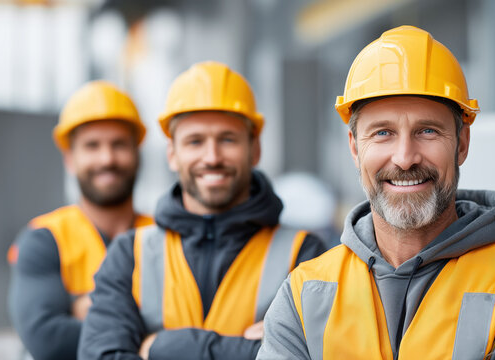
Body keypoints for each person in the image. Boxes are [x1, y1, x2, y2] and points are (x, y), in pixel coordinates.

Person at [257, 25, 495, 359]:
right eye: (382, 133)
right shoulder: (303, 294)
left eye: (427, 131)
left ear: (462, 144)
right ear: (354, 148)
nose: (405, 158)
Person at [78, 61, 327, 360]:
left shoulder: (304, 255)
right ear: (172, 154)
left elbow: (315, 355)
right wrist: (254, 351)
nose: (212, 157)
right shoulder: (130, 255)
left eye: (227, 139)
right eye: (195, 141)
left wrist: (163, 348)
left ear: (255, 149)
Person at [8, 81, 154, 360]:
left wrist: (89, 311)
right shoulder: (44, 238)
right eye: (92, 145)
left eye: (119, 144)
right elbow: (47, 340)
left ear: (137, 153)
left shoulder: (164, 235)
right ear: (70, 159)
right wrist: (154, 333)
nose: (107, 158)